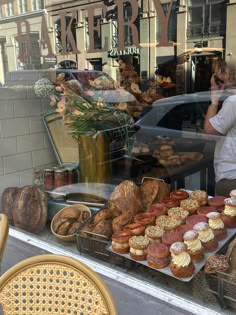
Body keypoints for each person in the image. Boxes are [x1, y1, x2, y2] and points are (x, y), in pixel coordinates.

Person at [204, 62, 236, 196]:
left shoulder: (233, 102)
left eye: (218, 72)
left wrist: (214, 100)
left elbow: (209, 133)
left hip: (230, 177)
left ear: (228, 75)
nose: (215, 76)